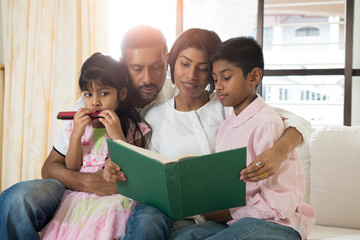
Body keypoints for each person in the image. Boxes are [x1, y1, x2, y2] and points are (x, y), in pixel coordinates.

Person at [0, 25, 309, 240]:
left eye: (156, 67)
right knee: (16, 198)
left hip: (179, 209)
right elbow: (49, 167)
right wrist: (87, 181)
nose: (148, 79)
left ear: (166, 62)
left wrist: (281, 148)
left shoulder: (197, 98)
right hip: (77, 187)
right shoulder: (97, 96)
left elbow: (285, 119)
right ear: (124, 67)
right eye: (136, 69)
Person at [107, 28, 312, 240]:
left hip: (235, 219)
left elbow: (291, 121)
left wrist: (278, 151)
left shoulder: (230, 104)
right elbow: (147, 171)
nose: (191, 76)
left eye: (203, 69)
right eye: (184, 64)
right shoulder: (153, 115)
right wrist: (119, 167)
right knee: (147, 216)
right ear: (172, 62)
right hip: (179, 215)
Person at [169, 36, 316, 240]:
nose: (218, 86)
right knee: (180, 236)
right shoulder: (227, 124)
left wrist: (229, 213)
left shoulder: (267, 123)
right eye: (215, 78)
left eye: (226, 77)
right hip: (238, 222)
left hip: (278, 225)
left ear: (254, 76)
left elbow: (279, 203)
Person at [39, 52, 150, 239]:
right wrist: (76, 135)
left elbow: (133, 169)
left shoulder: (132, 128)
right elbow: (72, 168)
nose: (95, 101)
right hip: (79, 199)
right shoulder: (78, 127)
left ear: (121, 94)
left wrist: (116, 135)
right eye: (88, 94)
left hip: (114, 199)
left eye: (104, 93)